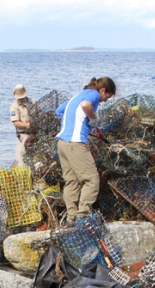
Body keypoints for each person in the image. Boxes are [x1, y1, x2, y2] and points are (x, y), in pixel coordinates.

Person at [55, 77, 116, 223]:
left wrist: (76, 122)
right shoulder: (93, 94)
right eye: (107, 96)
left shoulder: (77, 95)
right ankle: (83, 216)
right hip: (76, 143)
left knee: (72, 181)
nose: (105, 100)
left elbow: (59, 111)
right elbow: (85, 105)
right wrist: (93, 118)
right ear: (102, 90)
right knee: (91, 179)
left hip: (62, 143)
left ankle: (71, 218)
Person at [10, 84, 32, 167]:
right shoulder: (14, 106)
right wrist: (28, 125)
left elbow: (39, 113)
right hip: (23, 135)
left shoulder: (32, 102)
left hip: (34, 134)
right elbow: (16, 123)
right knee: (21, 158)